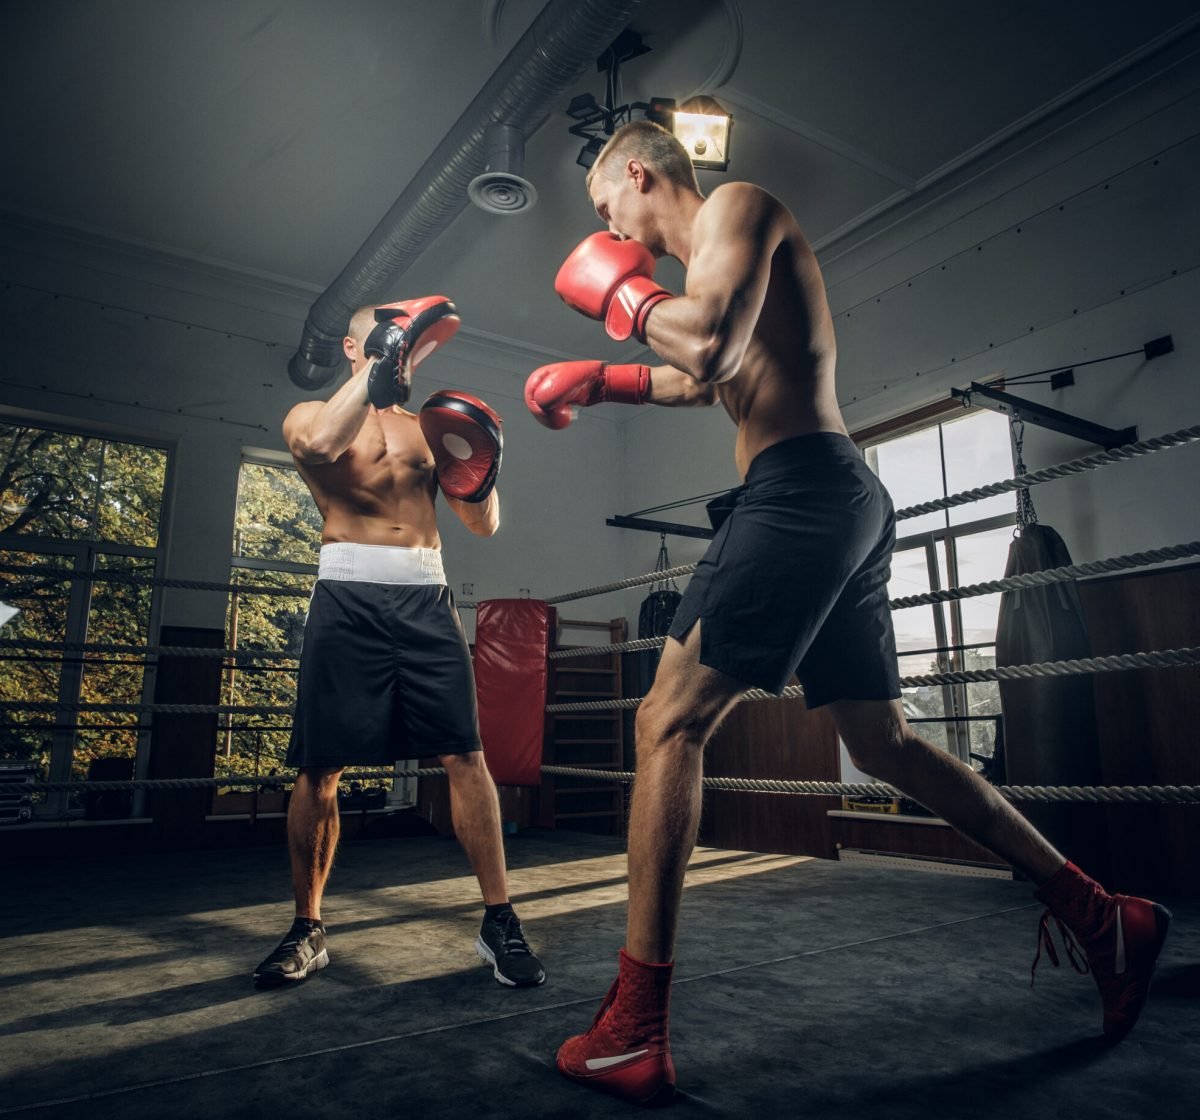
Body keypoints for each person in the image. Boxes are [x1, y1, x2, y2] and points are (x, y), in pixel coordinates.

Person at [526, 121, 1170, 1104]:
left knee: (665, 722)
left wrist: (618, 293)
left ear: (637, 175)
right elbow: (704, 377)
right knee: (887, 746)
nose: (606, 224)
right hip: (835, 497)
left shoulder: (736, 208)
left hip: (801, 494)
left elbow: (705, 348)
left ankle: (633, 1027)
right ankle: (1100, 913)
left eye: (603, 204)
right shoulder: (713, 268)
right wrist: (603, 381)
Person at [255, 297, 545, 990]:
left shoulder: (428, 431)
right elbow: (323, 445)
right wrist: (379, 367)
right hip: (347, 594)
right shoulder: (309, 417)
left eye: (411, 352)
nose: (407, 363)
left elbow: (483, 526)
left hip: (424, 595)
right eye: (392, 348)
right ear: (358, 351)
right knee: (320, 767)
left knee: (465, 755)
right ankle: (308, 927)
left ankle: (498, 921)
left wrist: (481, 469)